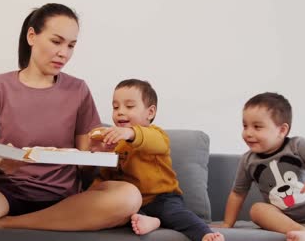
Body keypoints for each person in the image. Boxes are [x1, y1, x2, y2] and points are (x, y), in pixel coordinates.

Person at [0, 3, 142, 241]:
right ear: (32, 36)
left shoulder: (78, 90)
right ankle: (8, 219)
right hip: (8, 194)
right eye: (56, 42)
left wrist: (94, 154)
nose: (64, 53)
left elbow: (84, 167)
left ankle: (8, 225)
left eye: (71, 45)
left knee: (129, 196)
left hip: (66, 200)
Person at [90, 79, 224, 241]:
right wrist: (92, 193)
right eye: (115, 107)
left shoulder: (155, 134)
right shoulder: (116, 146)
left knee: (179, 216)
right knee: (118, 214)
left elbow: (155, 142)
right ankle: (152, 221)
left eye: (129, 106)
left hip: (162, 198)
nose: (120, 112)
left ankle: (206, 234)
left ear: (150, 112)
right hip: (133, 204)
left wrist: (131, 133)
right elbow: (107, 176)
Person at [217, 92, 305, 241]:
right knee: (257, 210)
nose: (248, 133)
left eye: (257, 127)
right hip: (284, 219)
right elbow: (238, 193)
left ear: (282, 130)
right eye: (245, 126)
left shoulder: (296, 146)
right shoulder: (248, 160)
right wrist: (227, 223)